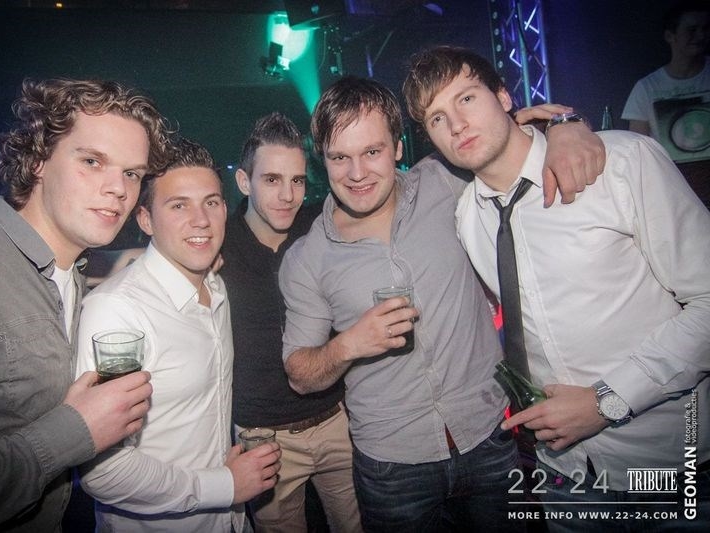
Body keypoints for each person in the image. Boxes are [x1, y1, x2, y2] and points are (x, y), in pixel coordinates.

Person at [404, 44, 710, 531]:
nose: (457, 125)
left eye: (466, 98)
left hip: (667, 463)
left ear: (503, 96)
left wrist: (606, 401)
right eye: (437, 118)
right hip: (564, 476)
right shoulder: (468, 218)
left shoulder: (620, 163)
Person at [278, 75, 604, 532]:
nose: (357, 173)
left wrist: (567, 125)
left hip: (490, 437)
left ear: (397, 147)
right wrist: (349, 344)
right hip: (392, 468)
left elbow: (508, 137)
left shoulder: (444, 181)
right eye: (339, 157)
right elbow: (300, 375)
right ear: (322, 160)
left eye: (372, 151)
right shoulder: (306, 259)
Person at [0, 78, 172, 532]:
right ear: (37, 161)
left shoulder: (72, 269)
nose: (118, 189)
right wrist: (70, 433)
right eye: (92, 161)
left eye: (132, 173)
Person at [75, 137, 282, 532]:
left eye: (211, 202)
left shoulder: (216, 287)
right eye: (178, 205)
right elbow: (104, 472)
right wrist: (224, 485)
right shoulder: (118, 313)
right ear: (145, 220)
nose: (201, 220)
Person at [221, 112, 362, 533]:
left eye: (297, 180)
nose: (287, 195)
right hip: (263, 437)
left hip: (335, 420)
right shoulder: (217, 244)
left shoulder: (320, 227)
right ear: (244, 182)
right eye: (272, 180)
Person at [622, 1, 710, 141]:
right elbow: (637, 143)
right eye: (692, 30)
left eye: (705, 29)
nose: (701, 36)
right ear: (670, 36)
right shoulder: (647, 87)